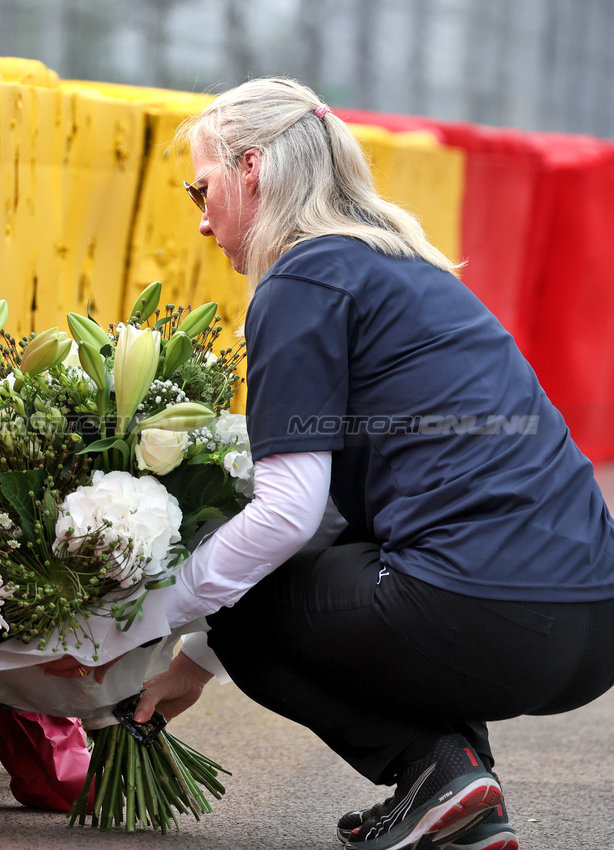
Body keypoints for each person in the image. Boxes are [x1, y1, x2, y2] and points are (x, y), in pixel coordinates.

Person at [58, 78, 614, 850]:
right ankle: (458, 797)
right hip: (589, 633)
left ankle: (433, 773)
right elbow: (325, 518)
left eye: (202, 187)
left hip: (487, 616)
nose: (200, 219)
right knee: (362, 569)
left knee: (239, 594)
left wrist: (135, 625)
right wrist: (190, 666)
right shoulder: (401, 266)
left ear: (251, 169)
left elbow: (285, 515)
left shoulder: (301, 280)